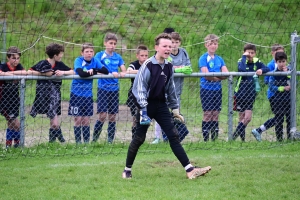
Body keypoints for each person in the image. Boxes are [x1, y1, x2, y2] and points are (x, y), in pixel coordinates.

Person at [122, 33, 211, 179]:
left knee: (173, 136)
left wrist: (175, 109)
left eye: (170, 46)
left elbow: (170, 89)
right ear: (156, 47)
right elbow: (139, 88)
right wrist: (143, 109)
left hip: (161, 106)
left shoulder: (170, 66)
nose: (168, 49)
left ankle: (190, 170)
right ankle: (127, 170)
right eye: (164, 46)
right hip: (146, 106)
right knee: (139, 138)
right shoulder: (147, 65)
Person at [29, 43, 74, 143]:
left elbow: (73, 72)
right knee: (54, 123)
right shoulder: (42, 64)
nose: (62, 56)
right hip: (43, 96)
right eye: (61, 53)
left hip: (55, 97)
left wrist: (63, 73)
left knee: (53, 123)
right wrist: (44, 74)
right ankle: (61, 141)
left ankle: (52, 143)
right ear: (55, 55)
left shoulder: (60, 65)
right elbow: (30, 71)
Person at [153, 32, 192, 144]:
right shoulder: (166, 54)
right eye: (172, 42)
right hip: (164, 89)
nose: (174, 45)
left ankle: (171, 138)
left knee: (175, 115)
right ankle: (159, 137)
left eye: (176, 42)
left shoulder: (184, 52)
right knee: (163, 115)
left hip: (177, 90)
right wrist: (178, 69)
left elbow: (189, 67)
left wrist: (184, 69)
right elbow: (166, 66)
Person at [68, 43, 109, 144]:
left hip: (88, 95)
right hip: (76, 94)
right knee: (78, 120)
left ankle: (86, 144)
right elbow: (81, 73)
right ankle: (78, 143)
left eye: (91, 51)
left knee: (86, 120)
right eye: (87, 52)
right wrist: (93, 72)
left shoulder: (95, 61)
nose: (89, 54)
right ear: (82, 53)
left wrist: (94, 70)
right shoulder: (78, 60)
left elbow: (106, 71)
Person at [93, 33, 126, 143]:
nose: (112, 46)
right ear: (105, 43)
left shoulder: (118, 57)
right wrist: (111, 72)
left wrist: (122, 72)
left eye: (114, 44)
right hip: (103, 88)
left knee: (112, 116)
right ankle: (94, 140)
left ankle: (110, 141)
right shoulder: (99, 55)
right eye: (110, 43)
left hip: (114, 89)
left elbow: (123, 69)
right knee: (102, 115)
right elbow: (95, 68)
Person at [233, 43, 269, 141]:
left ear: (255, 53)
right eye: (248, 52)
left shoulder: (257, 62)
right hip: (240, 93)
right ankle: (242, 140)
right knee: (241, 118)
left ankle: (233, 136)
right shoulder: (241, 61)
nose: (250, 55)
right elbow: (242, 69)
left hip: (250, 93)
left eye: (252, 53)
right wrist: (244, 57)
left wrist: (261, 70)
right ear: (244, 53)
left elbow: (267, 68)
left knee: (247, 118)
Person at [252, 52, 290, 142]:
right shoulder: (274, 74)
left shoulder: (290, 72)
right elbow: (271, 86)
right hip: (278, 100)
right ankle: (279, 139)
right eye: (279, 62)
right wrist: (282, 88)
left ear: (286, 61)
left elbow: (293, 83)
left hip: (288, 99)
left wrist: (287, 74)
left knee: (289, 119)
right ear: (276, 62)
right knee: (279, 119)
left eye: (283, 61)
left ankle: (290, 138)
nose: (282, 64)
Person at [199, 34, 228, 142]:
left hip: (217, 90)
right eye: (211, 44)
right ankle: (206, 140)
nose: (213, 46)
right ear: (206, 45)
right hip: (206, 90)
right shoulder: (203, 58)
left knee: (216, 114)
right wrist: (218, 77)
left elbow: (226, 74)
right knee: (207, 113)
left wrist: (216, 77)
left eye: (215, 44)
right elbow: (207, 75)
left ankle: (214, 140)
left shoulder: (219, 59)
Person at [0, 46, 27, 148]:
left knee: (11, 124)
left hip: (15, 100)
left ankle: (10, 146)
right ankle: (18, 144)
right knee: (17, 124)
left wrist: (9, 74)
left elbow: (25, 72)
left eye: (18, 58)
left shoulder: (19, 66)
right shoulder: (3, 66)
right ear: (8, 58)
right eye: (13, 58)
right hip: (4, 101)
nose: (16, 60)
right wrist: (8, 74)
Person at [126, 45, 149, 139]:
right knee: (136, 117)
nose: (144, 58)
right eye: (142, 55)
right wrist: (143, 71)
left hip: (147, 94)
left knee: (146, 118)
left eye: (146, 55)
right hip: (134, 95)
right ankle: (134, 138)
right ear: (137, 56)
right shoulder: (134, 64)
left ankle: (142, 137)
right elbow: (129, 71)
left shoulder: (150, 63)